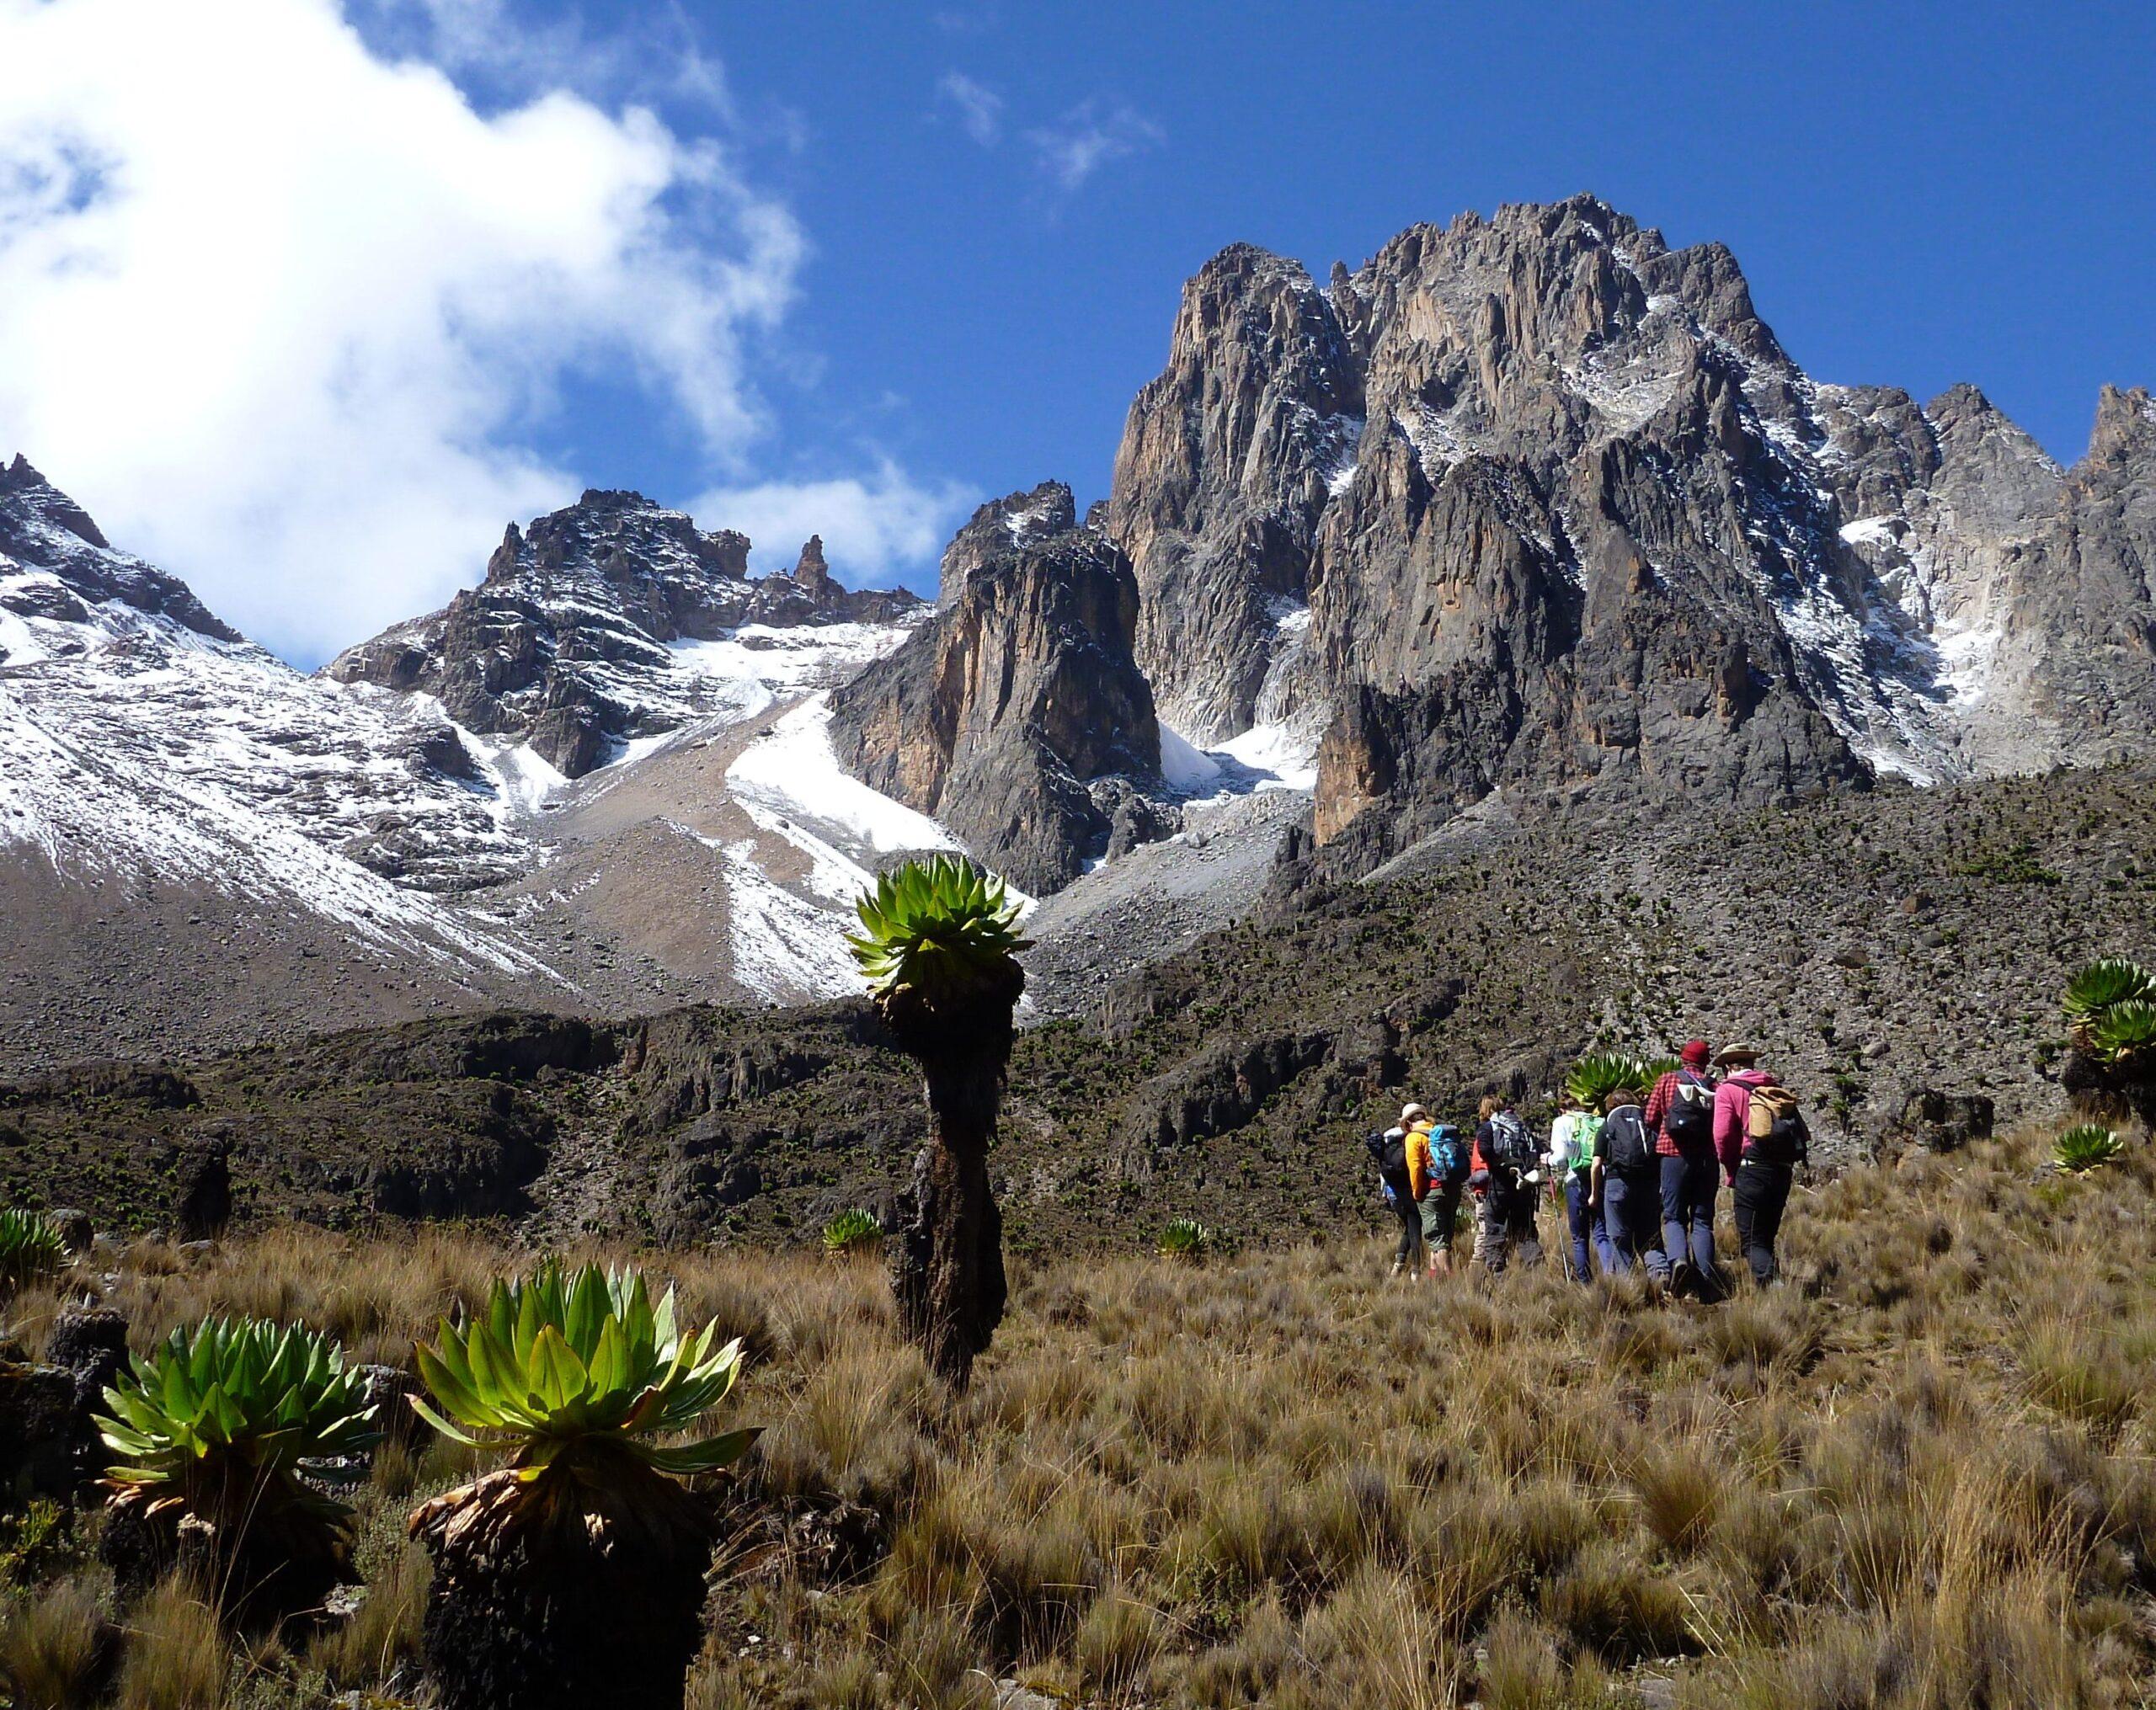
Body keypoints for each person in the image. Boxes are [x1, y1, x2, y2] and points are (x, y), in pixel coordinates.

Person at [1713, 1046, 1808, 1286]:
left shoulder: (1728, 1090)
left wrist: (1729, 1168)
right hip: (1783, 1168)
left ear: (1729, 1067)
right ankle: (1775, 1283)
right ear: (1751, 1064)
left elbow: (1722, 1135)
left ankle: (1772, 1288)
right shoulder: (1772, 1087)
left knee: (1752, 1238)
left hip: (1752, 1168)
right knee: (1767, 1234)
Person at [1643, 1039, 1725, 1301]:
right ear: (1705, 1060)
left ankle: (1679, 1261)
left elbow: (1650, 1117)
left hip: (1673, 1155)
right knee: (1702, 1219)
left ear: (1683, 1058)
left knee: (1674, 1216)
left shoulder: (1668, 1080)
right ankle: (1705, 1275)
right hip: (1707, 1159)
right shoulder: (1715, 1086)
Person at [1593, 1088, 1664, 1278]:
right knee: (1650, 1235)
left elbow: (1597, 1164)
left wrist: (1594, 1193)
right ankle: (1660, 1276)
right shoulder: (1647, 1120)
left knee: (1619, 1238)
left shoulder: (1608, 1124)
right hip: (1648, 1185)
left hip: (1617, 1184)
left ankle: (1629, 1285)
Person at [1472, 1095, 1542, 1274]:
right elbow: (1537, 1148)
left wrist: (1496, 1164)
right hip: (1524, 1184)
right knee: (1524, 1230)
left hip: (1499, 1184)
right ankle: (1537, 1269)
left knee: (1494, 1228)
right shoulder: (1519, 1125)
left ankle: (1497, 1272)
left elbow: (1485, 1149)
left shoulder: (1488, 1127)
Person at [1404, 1103, 1468, 1277]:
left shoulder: (1413, 1138)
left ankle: (1448, 1279)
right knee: (1444, 1236)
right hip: (1452, 1188)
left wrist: (1417, 1193)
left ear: (1409, 1123)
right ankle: (1435, 1277)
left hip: (1431, 1191)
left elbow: (1416, 1168)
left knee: (1437, 1239)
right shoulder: (1438, 1132)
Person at [1546, 1092, 1605, 1281]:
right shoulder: (1596, 1120)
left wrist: (1547, 1158)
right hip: (1600, 1178)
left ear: (1562, 1108)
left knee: (1580, 1238)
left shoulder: (1561, 1122)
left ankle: (1585, 1283)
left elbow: (1561, 1157)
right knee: (1602, 1233)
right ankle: (1612, 1277)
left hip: (1576, 1180)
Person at [1366, 1119, 1423, 1279]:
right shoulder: (1409, 1137)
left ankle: (1398, 1264)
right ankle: (1416, 1270)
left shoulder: (1387, 1140)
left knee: (1409, 1225)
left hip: (1393, 1192)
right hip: (1408, 1190)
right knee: (1415, 1226)